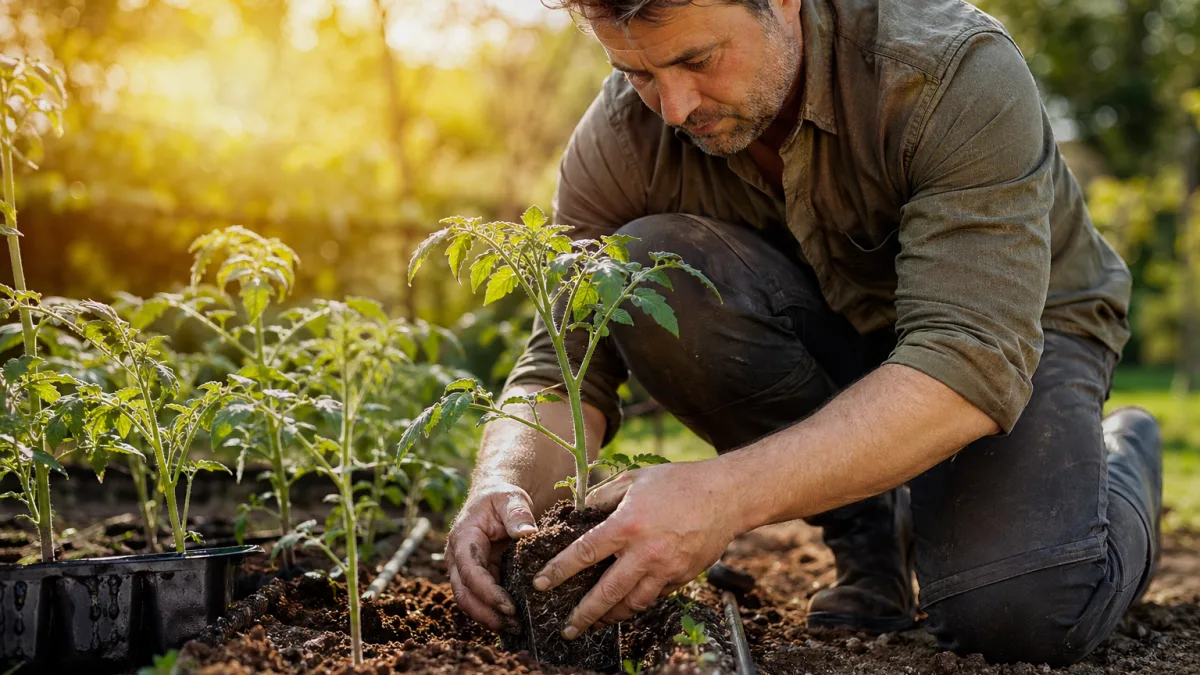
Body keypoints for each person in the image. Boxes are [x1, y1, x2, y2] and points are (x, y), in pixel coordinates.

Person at [443, 0, 1163, 665]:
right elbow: (566, 358)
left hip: (1017, 330)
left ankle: (1123, 452)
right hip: (835, 333)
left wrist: (722, 494)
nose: (674, 107)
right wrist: (504, 484)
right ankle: (868, 538)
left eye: (698, 60)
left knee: (1019, 612)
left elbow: (966, 359)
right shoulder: (623, 137)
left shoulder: (948, 72)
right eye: (636, 72)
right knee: (637, 270)